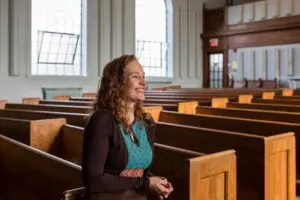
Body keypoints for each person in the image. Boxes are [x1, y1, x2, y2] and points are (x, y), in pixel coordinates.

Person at [82, 55, 173, 200]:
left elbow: (138, 172)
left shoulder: (147, 122)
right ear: (117, 83)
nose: (143, 82)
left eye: (143, 77)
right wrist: (146, 183)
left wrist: (156, 184)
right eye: (135, 77)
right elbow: (94, 181)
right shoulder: (102, 121)